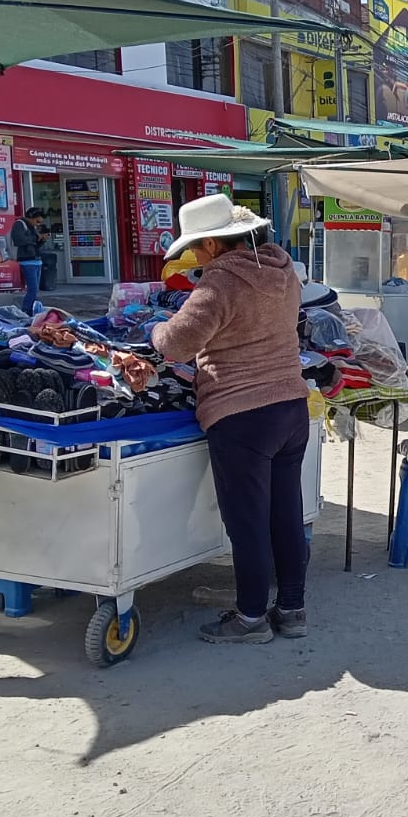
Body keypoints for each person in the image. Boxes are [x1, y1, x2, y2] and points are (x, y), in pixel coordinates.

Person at [152, 196, 310, 645]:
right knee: (285, 515)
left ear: (215, 245)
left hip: (243, 416)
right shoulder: (283, 270)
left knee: (248, 523)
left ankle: (251, 619)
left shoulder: (220, 283)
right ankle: (292, 610)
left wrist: (156, 330)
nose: (195, 257)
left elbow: (177, 345)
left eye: (197, 247)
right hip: (291, 407)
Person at [10, 207, 49, 314]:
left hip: (36, 259)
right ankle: (26, 311)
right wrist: (36, 238)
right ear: (31, 217)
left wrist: (41, 240)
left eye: (40, 222)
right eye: (37, 221)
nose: (38, 224)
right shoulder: (20, 224)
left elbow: (35, 244)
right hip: (27, 261)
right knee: (33, 289)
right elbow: (18, 240)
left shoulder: (33, 227)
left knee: (35, 290)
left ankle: (32, 310)